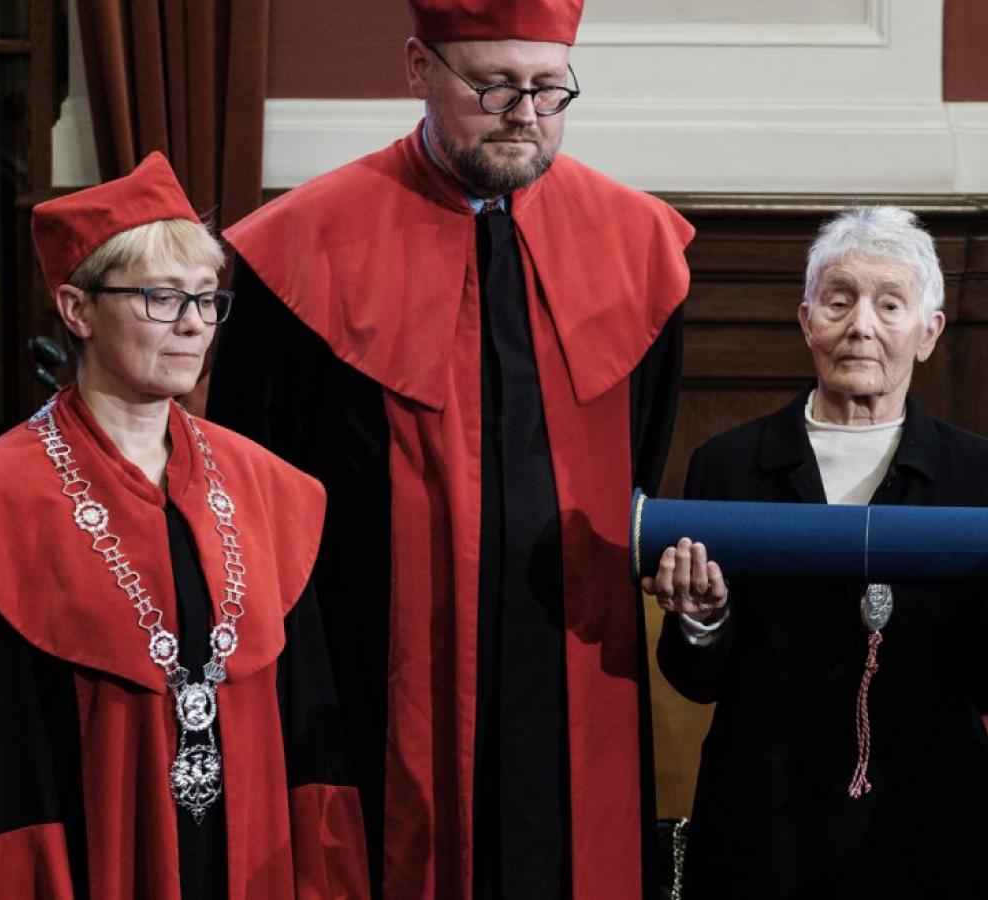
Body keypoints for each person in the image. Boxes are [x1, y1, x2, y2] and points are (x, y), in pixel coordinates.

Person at [205, 1, 694, 896]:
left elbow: (640, 455)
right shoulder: (299, 248)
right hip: (370, 678)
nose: (525, 114)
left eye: (549, 89)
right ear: (417, 69)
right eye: (494, 84)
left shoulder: (639, 246)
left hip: (571, 670)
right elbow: (249, 485)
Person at [646, 206, 988, 898]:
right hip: (766, 827)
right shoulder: (730, 466)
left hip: (932, 831)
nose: (861, 325)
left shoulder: (980, 474)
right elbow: (697, 679)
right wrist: (702, 619)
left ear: (928, 332)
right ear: (806, 321)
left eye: (890, 304)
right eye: (839, 300)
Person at [0, 153, 368, 899]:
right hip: (92, 853)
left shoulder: (268, 486)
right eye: (159, 297)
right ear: (77, 310)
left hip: (255, 857)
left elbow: (313, 737)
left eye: (208, 300)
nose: (191, 325)